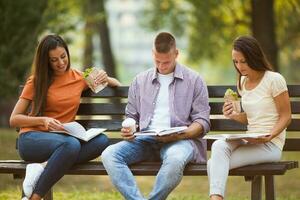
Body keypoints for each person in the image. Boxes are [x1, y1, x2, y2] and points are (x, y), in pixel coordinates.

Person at [9, 34, 121, 200]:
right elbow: (14, 119)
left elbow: (116, 84)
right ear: (45, 61)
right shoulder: (36, 81)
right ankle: (35, 198)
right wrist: (43, 120)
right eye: (54, 60)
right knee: (71, 145)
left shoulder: (79, 78)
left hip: (63, 141)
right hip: (32, 139)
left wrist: (106, 77)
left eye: (63, 57)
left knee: (102, 141)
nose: (61, 63)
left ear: (68, 53)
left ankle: (42, 167)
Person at [101, 32, 210, 200]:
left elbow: (202, 122)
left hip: (179, 141)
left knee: (175, 160)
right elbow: (131, 116)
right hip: (145, 140)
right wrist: (129, 129)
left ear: (176, 54)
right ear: (153, 54)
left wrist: (182, 134)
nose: (162, 66)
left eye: (166, 62)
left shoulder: (194, 80)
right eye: (157, 61)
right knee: (109, 154)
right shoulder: (140, 81)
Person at [207, 35, 291, 200]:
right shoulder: (242, 82)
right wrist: (233, 115)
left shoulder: (274, 79)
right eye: (235, 62)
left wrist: (270, 136)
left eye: (243, 61)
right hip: (250, 138)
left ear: (254, 56)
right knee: (218, 145)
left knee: (213, 164)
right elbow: (251, 118)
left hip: (270, 145)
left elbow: (286, 116)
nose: (239, 66)